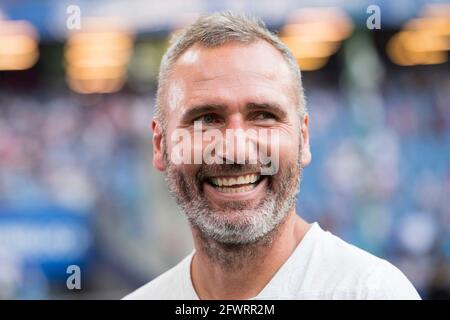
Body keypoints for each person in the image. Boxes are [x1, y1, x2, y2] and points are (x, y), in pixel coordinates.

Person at [124, 12, 421, 300]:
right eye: (207, 119)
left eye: (263, 116)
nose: (236, 151)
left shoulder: (372, 292)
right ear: (160, 145)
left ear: (303, 139)